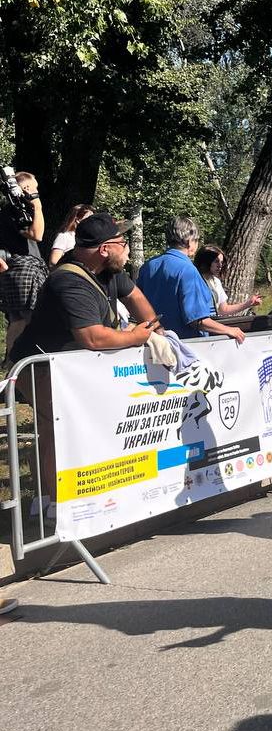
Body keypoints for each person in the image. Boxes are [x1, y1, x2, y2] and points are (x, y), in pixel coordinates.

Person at [10, 213, 162, 511]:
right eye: (122, 243)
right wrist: (135, 337)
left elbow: (136, 299)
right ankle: (53, 506)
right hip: (41, 367)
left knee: (68, 428)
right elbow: (93, 337)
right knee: (56, 429)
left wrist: (156, 329)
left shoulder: (110, 270)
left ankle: (60, 500)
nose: (127, 249)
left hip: (70, 368)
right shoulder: (69, 280)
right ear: (105, 249)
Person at [137, 217, 245, 345]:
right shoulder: (188, 270)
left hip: (155, 344)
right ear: (189, 241)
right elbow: (197, 320)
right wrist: (229, 330)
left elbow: (138, 308)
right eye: (196, 240)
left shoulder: (148, 266)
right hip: (185, 345)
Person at [0, 172, 46, 363]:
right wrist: (37, 205)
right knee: (25, 317)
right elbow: (37, 234)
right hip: (24, 268)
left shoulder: (13, 209)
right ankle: (16, 362)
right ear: (25, 188)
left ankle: (14, 362)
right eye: (35, 187)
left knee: (19, 318)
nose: (37, 191)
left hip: (20, 268)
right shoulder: (15, 210)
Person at [193, 244, 262, 316]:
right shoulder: (193, 280)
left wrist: (249, 303)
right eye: (216, 261)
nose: (220, 265)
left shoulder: (216, 282)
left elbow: (224, 310)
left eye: (221, 262)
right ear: (206, 261)